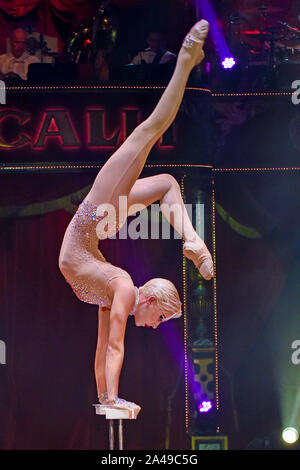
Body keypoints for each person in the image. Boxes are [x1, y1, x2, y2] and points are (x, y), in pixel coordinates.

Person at [58, 19, 213, 417]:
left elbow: (99, 353)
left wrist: (106, 402)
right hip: (100, 211)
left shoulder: (117, 290)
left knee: (163, 181)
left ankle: (193, 240)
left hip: (101, 221)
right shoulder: (124, 288)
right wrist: (114, 401)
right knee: (151, 132)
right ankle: (185, 60)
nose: (154, 325)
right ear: (148, 298)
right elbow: (114, 347)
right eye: (159, 317)